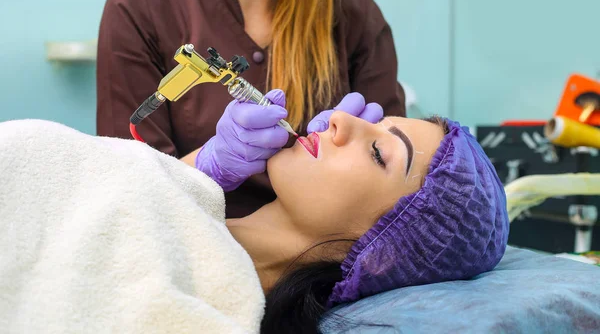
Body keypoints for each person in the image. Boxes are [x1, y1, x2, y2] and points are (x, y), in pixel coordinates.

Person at [0, 100, 508, 334]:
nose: (338, 120)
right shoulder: (190, 211)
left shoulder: (214, 307)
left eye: (379, 152)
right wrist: (199, 171)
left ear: (383, 249)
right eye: (370, 119)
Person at [96, 0, 406, 218]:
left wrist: (374, 149)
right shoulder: (143, 2)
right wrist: (208, 167)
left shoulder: (356, 18)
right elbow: (127, 193)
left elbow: (398, 200)